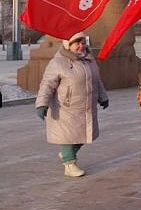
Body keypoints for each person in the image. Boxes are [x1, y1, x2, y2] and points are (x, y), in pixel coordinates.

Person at [36, 32, 109, 177]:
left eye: (82, 42)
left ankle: (66, 155)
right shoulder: (58, 63)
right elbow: (47, 85)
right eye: (77, 43)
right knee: (69, 137)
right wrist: (41, 104)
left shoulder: (89, 60)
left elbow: (97, 80)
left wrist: (103, 97)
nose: (81, 46)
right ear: (67, 45)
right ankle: (69, 164)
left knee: (85, 135)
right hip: (66, 108)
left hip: (86, 106)